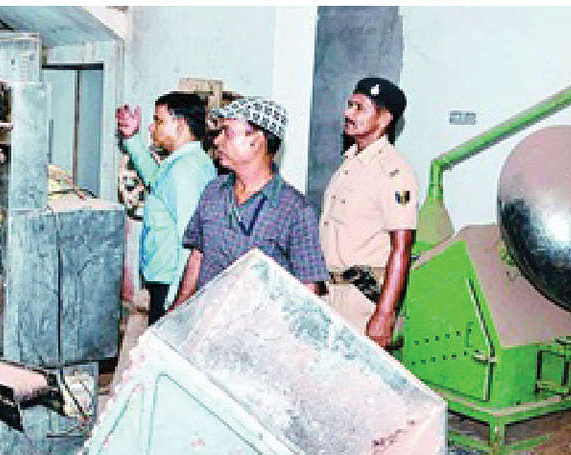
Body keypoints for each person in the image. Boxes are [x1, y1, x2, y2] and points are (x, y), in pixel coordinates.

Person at [172, 97, 328, 308]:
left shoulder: (295, 210)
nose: (217, 141)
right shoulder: (213, 191)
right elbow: (197, 256)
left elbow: (308, 289)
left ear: (257, 140)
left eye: (227, 132)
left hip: (258, 326)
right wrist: (179, 307)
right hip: (207, 319)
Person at [319, 77, 417, 349]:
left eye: (359, 108)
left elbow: (402, 248)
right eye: (349, 105)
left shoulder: (393, 172)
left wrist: (384, 315)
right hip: (329, 292)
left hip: (360, 300)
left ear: (384, 118)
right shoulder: (349, 164)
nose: (348, 113)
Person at [116, 92, 216, 324]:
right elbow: (156, 181)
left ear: (180, 125)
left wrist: (177, 299)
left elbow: (189, 239)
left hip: (171, 284)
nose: (152, 127)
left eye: (159, 121)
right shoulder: (185, 162)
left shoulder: (185, 170)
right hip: (166, 280)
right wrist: (132, 139)